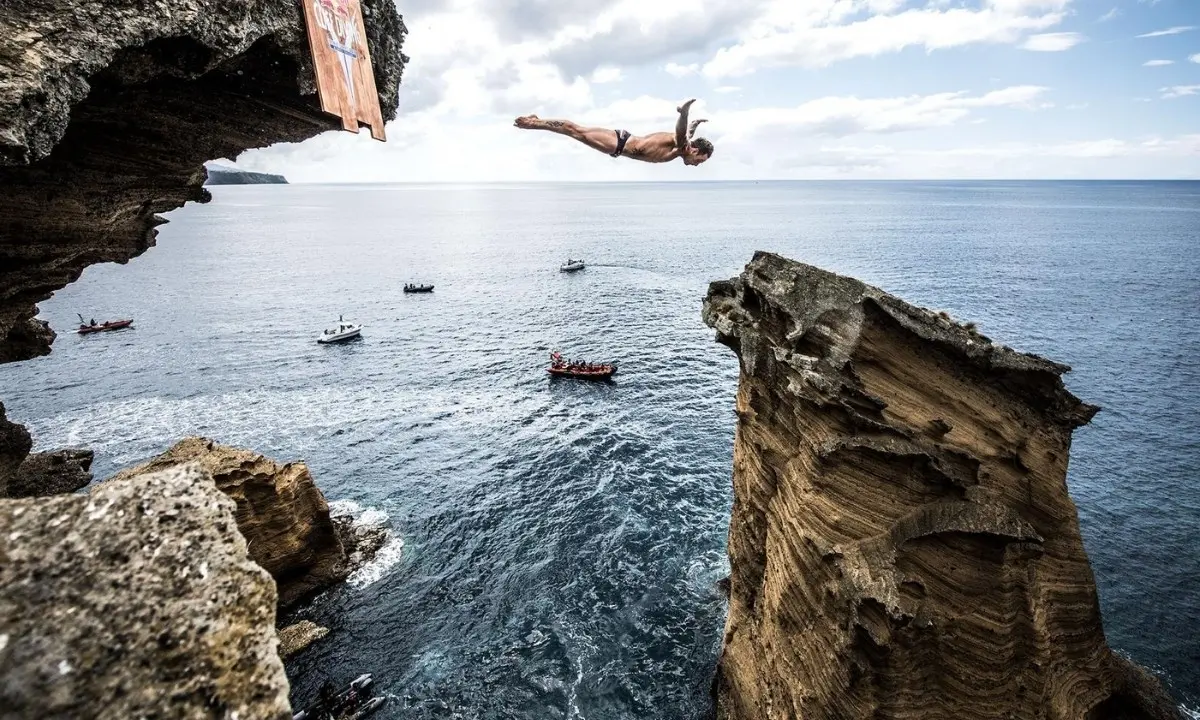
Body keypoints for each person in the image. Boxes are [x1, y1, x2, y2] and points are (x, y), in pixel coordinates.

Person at [514, 99, 713, 166]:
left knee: (576, 131)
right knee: (574, 131)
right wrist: (685, 113)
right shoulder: (681, 145)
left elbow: (688, 132)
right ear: (694, 151)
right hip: (619, 144)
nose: (696, 165)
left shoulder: (681, 148)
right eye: (700, 161)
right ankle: (534, 122)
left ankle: (537, 120)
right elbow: (682, 131)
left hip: (621, 141)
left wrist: (694, 123)